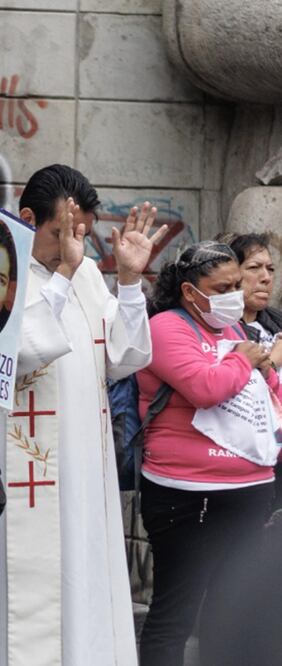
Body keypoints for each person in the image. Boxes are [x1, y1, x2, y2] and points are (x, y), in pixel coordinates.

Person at [0, 164, 166, 666]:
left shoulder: (83, 272)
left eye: (82, 233)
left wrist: (127, 281)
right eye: (64, 232)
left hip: (79, 474)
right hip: (6, 474)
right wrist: (63, 273)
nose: (75, 244)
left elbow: (124, 357)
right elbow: (20, 347)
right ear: (27, 219)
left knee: (76, 588)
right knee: (0, 599)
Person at [136, 241, 281, 665]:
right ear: (189, 291)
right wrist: (244, 361)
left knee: (232, 614)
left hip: (249, 492)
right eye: (222, 288)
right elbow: (204, 388)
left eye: (237, 284)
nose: (235, 295)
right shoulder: (166, 328)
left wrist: (264, 365)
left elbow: (270, 392)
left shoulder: (236, 331)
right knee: (175, 614)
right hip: (187, 496)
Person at [224, 232, 282, 508]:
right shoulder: (218, 328)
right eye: (254, 267)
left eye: (270, 269)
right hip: (239, 460)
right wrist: (273, 360)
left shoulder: (277, 324)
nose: (266, 277)